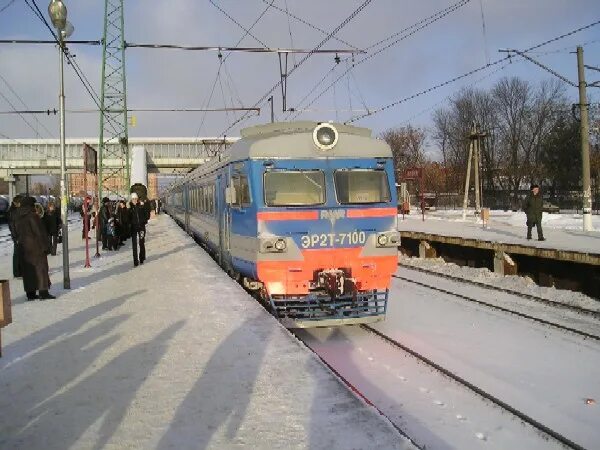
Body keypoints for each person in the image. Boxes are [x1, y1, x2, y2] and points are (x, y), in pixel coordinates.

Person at [12, 196, 55, 300]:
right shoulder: (33, 216)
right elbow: (39, 233)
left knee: (28, 271)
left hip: (24, 248)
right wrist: (46, 247)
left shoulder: (17, 216)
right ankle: (43, 292)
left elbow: (15, 232)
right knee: (41, 269)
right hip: (36, 248)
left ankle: (30, 293)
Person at [128, 192, 149, 266]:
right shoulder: (129, 208)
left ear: (137, 199)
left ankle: (142, 258)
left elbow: (147, 215)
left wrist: (144, 206)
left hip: (141, 228)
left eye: (135, 198)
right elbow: (127, 218)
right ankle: (135, 261)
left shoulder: (141, 206)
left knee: (141, 243)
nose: (134, 200)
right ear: (131, 199)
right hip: (133, 228)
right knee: (134, 245)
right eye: (133, 199)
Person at [8, 194, 23, 278]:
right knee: (17, 254)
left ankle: (19, 271)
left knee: (20, 253)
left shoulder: (16, 210)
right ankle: (17, 272)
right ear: (16, 203)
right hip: (17, 235)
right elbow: (12, 226)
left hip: (19, 234)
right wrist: (15, 237)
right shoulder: (12, 211)